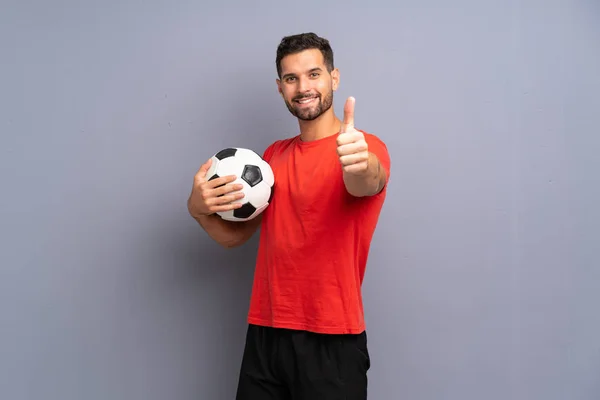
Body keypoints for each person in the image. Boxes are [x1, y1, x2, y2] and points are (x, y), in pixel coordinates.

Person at [187, 32, 391, 400]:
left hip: (332, 338)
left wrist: (360, 164)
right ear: (280, 88)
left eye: (314, 74)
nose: (303, 87)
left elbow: (367, 180)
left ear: (334, 77)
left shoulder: (363, 147)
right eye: (292, 78)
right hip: (265, 334)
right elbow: (237, 237)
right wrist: (197, 210)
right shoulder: (270, 158)